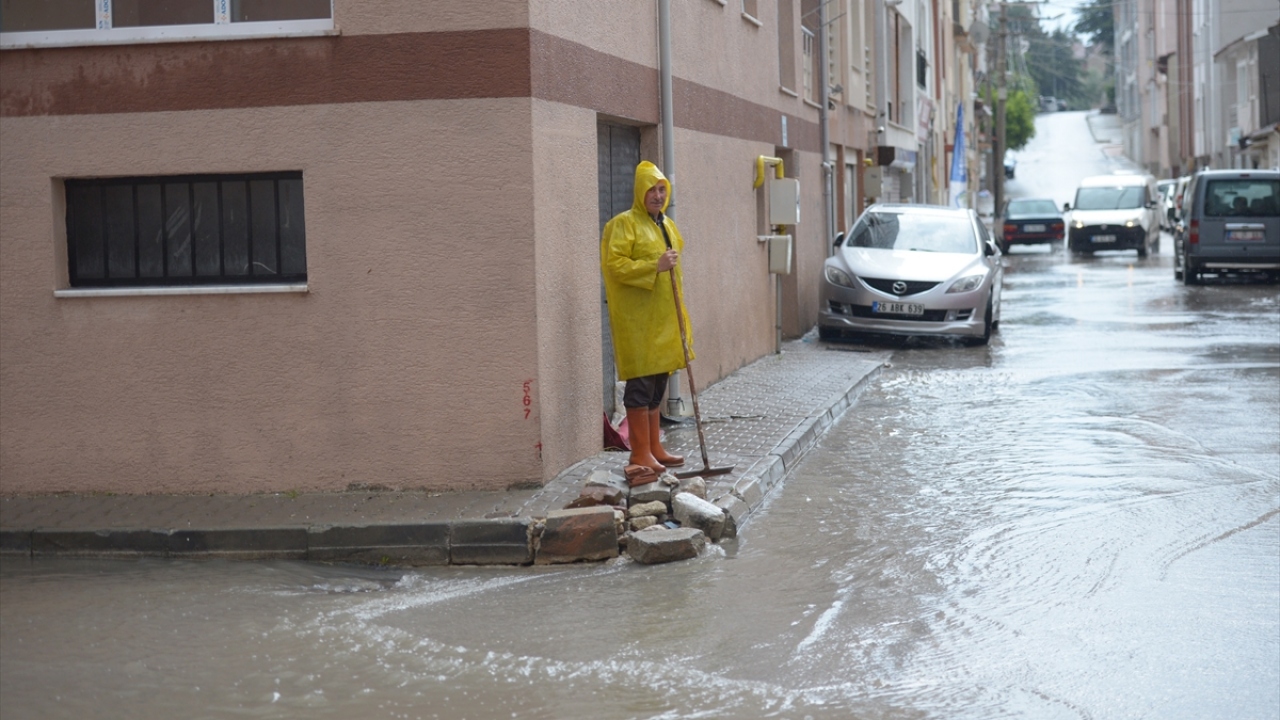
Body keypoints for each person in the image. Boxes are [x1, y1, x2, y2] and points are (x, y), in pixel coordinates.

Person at [601, 161, 694, 486]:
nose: (657, 195)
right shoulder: (623, 225)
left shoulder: (667, 225)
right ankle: (640, 453)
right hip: (638, 322)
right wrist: (654, 265)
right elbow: (615, 265)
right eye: (652, 189)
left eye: (662, 189)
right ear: (640, 191)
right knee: (640, 385)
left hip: (664, 321)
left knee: (657, 384)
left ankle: (654, 447)